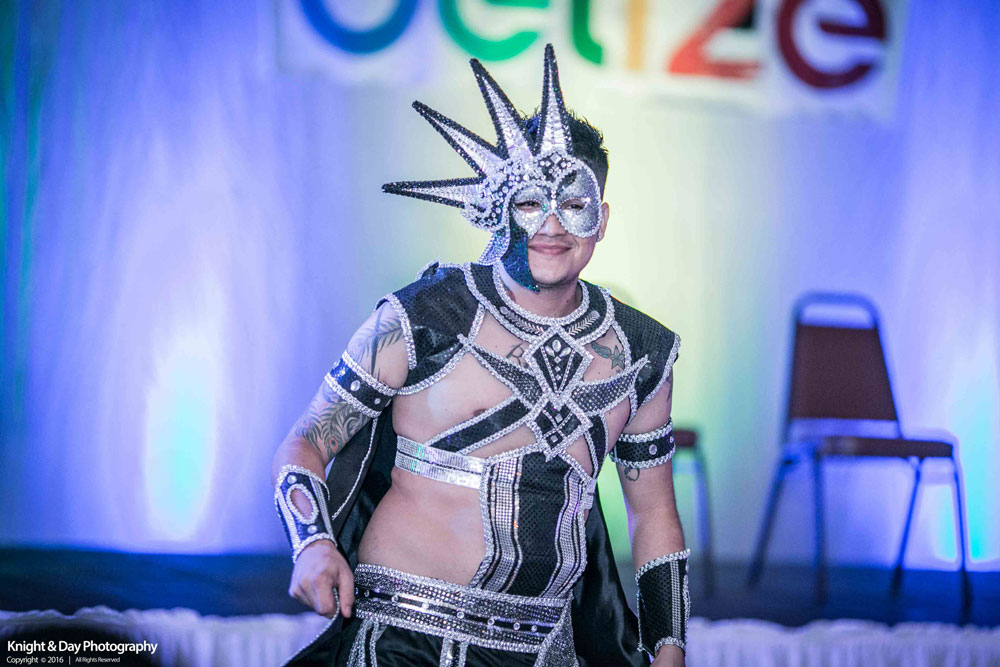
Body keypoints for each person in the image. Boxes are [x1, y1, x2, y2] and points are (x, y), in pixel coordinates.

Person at [272, 45, 689, 667]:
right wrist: (312, 544)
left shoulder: (640, 352)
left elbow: (652, 511)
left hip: (543, 650)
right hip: (403, 639)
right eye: (531, 202)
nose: (551, 225)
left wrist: (669, 646)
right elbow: (306, 441)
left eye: (574, 205)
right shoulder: (423, 316)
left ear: (601, 220)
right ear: (498, 206)